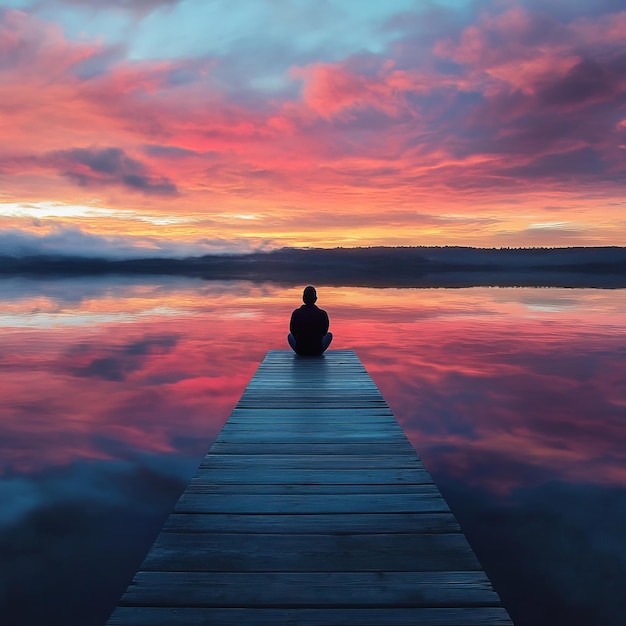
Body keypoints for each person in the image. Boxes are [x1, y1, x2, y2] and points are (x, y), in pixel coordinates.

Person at [288, 286, 333, 356]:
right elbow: (324, 332)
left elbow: (292, 331)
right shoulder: (322, 314)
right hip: (317, 351)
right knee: (329, 335)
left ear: (303, 298)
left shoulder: (296, 313)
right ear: (315, 299)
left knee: (290, 336)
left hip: (300, 351)